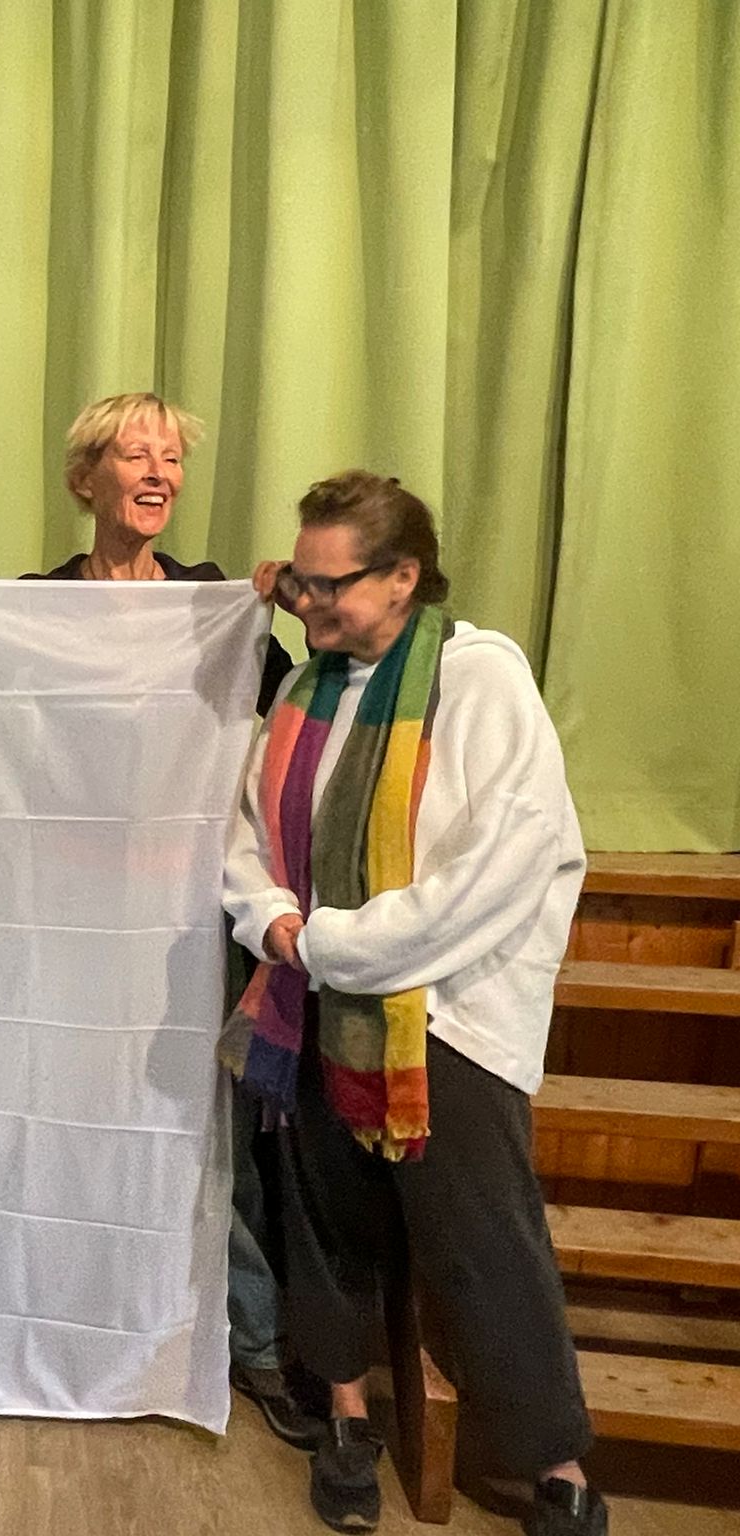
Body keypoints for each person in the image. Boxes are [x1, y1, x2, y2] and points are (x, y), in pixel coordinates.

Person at [0, 392, 308, 1446]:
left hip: (181, 915)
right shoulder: (39, 604)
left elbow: (288, 705)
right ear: (86, 480)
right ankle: (47, 1309)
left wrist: (282, 607)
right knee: (56, 1107)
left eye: (171, 458)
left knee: (203, 1126)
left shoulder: (210, 600)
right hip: (62, 915)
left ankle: (248, 1342)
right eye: (133, 454)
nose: (156, 473)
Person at [222, 472, 600, 1536]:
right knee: (323, 1220)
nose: (307, 602)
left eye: (328, 584)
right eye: (299, 581)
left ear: (401, 578)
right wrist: (271, 919)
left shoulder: (478, 681)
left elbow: (502, 866)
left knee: (483, 1244)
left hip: (443, 1016)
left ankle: (554, 1463)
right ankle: (345, 1416)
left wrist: (333, 945)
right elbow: (244, 832)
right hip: (314, 1001)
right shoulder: (306, 691)